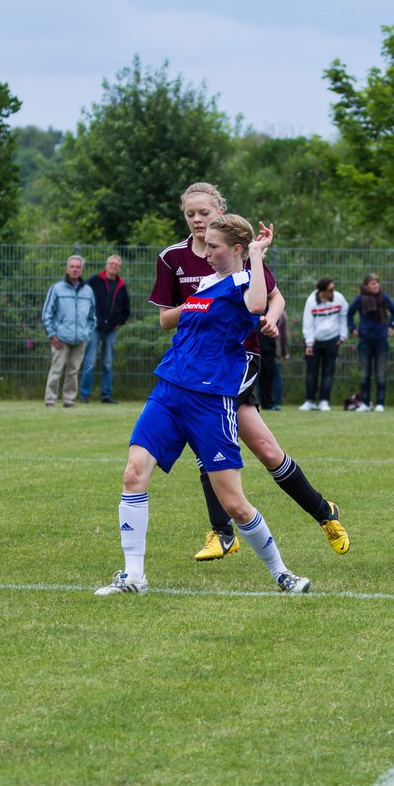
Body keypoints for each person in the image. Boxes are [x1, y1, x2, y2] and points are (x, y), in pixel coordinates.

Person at [97, 216, 312, 595]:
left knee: (234, 504)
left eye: (214, 246)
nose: (206, 252)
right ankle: (133, 576)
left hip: (210, 401)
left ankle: (282, 573)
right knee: (133, 473)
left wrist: (258, 255)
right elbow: (175, 323)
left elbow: (260, 303)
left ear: (237, 250)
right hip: (169, 390)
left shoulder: (245, 282)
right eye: (206, 244)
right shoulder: (205, 283)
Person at [151, 181, 349, 561]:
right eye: (190, 213)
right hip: (195, 363)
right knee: (266, 450)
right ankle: (314, 513)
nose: (197, 220)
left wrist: (272, 320)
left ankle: (228, 531)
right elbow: (165, 320)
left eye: (204, 213)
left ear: (219, 213)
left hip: (239, 359)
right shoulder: (172, 258)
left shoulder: (232, 250)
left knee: (224, 438)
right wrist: (197, 304)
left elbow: (270, 298)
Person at [41, 255, 95, 408]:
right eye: (72, 266)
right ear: (67, 269)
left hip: (80, 338)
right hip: (61, 338)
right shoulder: (56, 288)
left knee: (73, 371)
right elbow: (47, 313)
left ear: (81, 270)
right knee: (56, 369)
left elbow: (92, 316)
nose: (75, 269)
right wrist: (52, 334)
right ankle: (50, 400)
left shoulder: (88, 291)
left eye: (78, 267)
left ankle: (68, 400)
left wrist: (87, 332)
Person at [81, 255, 131, 404]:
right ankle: (84, 395)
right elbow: (84, 299)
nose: (113, 266)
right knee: (89, 362)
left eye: (116, 264)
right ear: (106, 265)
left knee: (108, 364)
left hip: (111, 331)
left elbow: (126, 309)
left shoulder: (122, 285)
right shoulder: (94, 281)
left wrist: (119, 323)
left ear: (119, 267)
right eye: (111, 263)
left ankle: (106, 395)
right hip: (95, 328)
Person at [348, 272, 394, 412]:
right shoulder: (360, 299)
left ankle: (380, 403)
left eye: (377, 283)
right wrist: (352, 328)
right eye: (373, 283)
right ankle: (365, 402)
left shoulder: (384, 298)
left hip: (381, 339)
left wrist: (391, 326)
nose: (376, 285)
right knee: (365, 373)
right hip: (365, 339)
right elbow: (350, 313)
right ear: (366, 286)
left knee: (381, 372)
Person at [299, 278, 349, 412]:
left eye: (333, 289)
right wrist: (309, 343)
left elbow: (344, 317)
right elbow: (307, 323)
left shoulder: (339, 299)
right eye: (330, 290)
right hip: (315, 342)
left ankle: (324, 401)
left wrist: (343, 336)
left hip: (333, 340)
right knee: (311, 372)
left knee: (328, 372)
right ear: (322, 291)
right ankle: (310, 401)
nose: (333, 292)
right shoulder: (311, 301)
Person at [257, 310, 288, 410]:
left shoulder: (276, 312)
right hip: (259, 349)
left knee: (268, 377)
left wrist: (283, 351)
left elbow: (283, 335)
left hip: (269, 349)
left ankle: (268, 402)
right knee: (263, 378)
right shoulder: (254, 311)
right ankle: (266, 402)